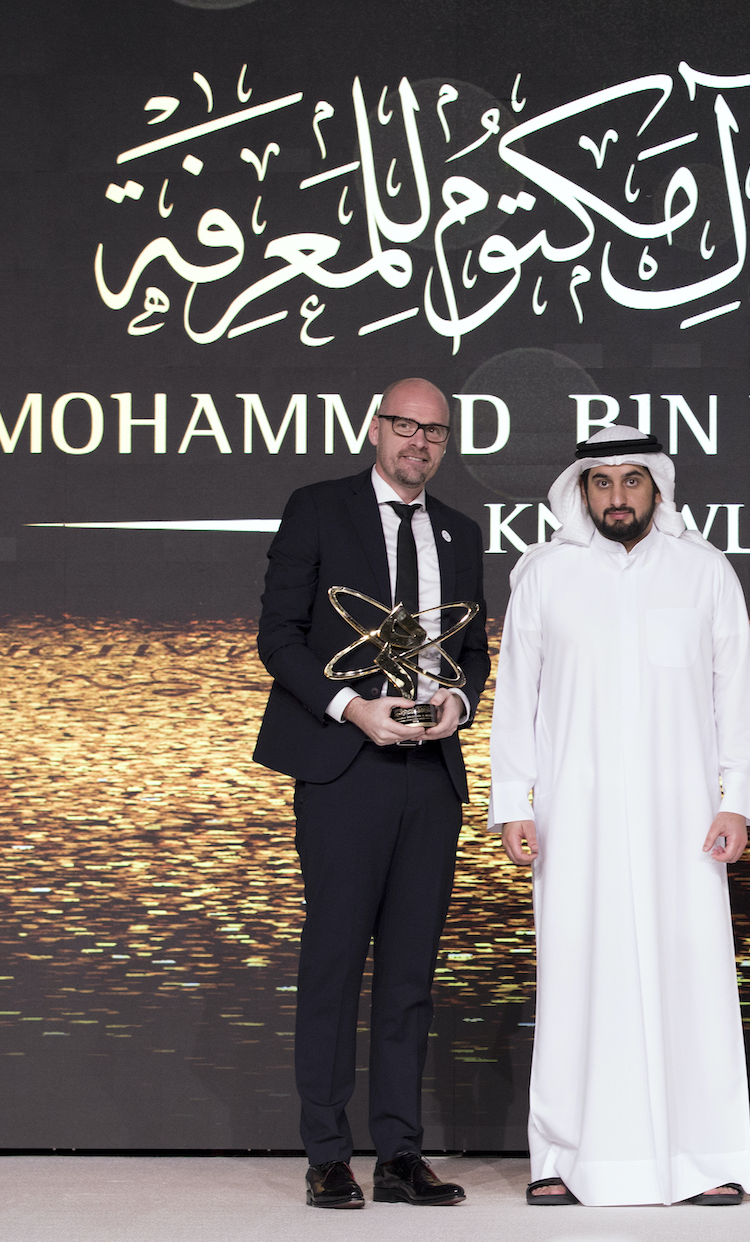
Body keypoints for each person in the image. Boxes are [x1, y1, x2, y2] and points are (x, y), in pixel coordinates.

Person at [487, 426, 750, 1208]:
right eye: (601, 482)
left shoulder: (705, 571)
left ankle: (705, 1156)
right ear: (582, 490)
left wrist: (735, 799)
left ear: (656, 487)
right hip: (574, 818)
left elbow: (734, 696)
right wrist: (514, 803)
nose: (617, 496)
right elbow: (516, 699)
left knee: (691, 977)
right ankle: (563, 1156)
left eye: (631, 480)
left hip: (685, 818)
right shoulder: (544, 574)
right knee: (576, 977)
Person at [253, 377, 489, 1209]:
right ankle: (327, 1153)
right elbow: (277, 635)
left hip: (430, 776)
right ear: (375, 428)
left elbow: (473, 649)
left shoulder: (461, 530)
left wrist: (458, 702)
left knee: (410, 973)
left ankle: (399, 1153)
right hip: (344, 767)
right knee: (333, 962)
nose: (419, 441)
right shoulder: (318, 508)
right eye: (404, 425)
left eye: (435, 431)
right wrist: (352, 707)